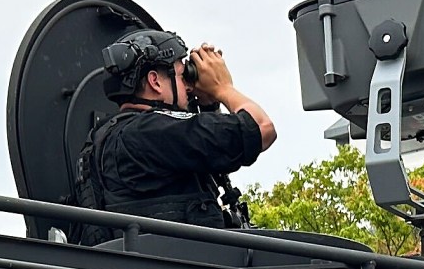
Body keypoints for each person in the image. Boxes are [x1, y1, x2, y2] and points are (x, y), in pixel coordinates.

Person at [79, 29, 277, 234]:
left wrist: (209, 105)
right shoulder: (154, 131)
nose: (189, 87)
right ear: (155, 81)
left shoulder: (105, 137)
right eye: (183, 76)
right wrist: (222, 88)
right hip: (186, 262)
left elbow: (208, 157)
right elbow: (262, 128)